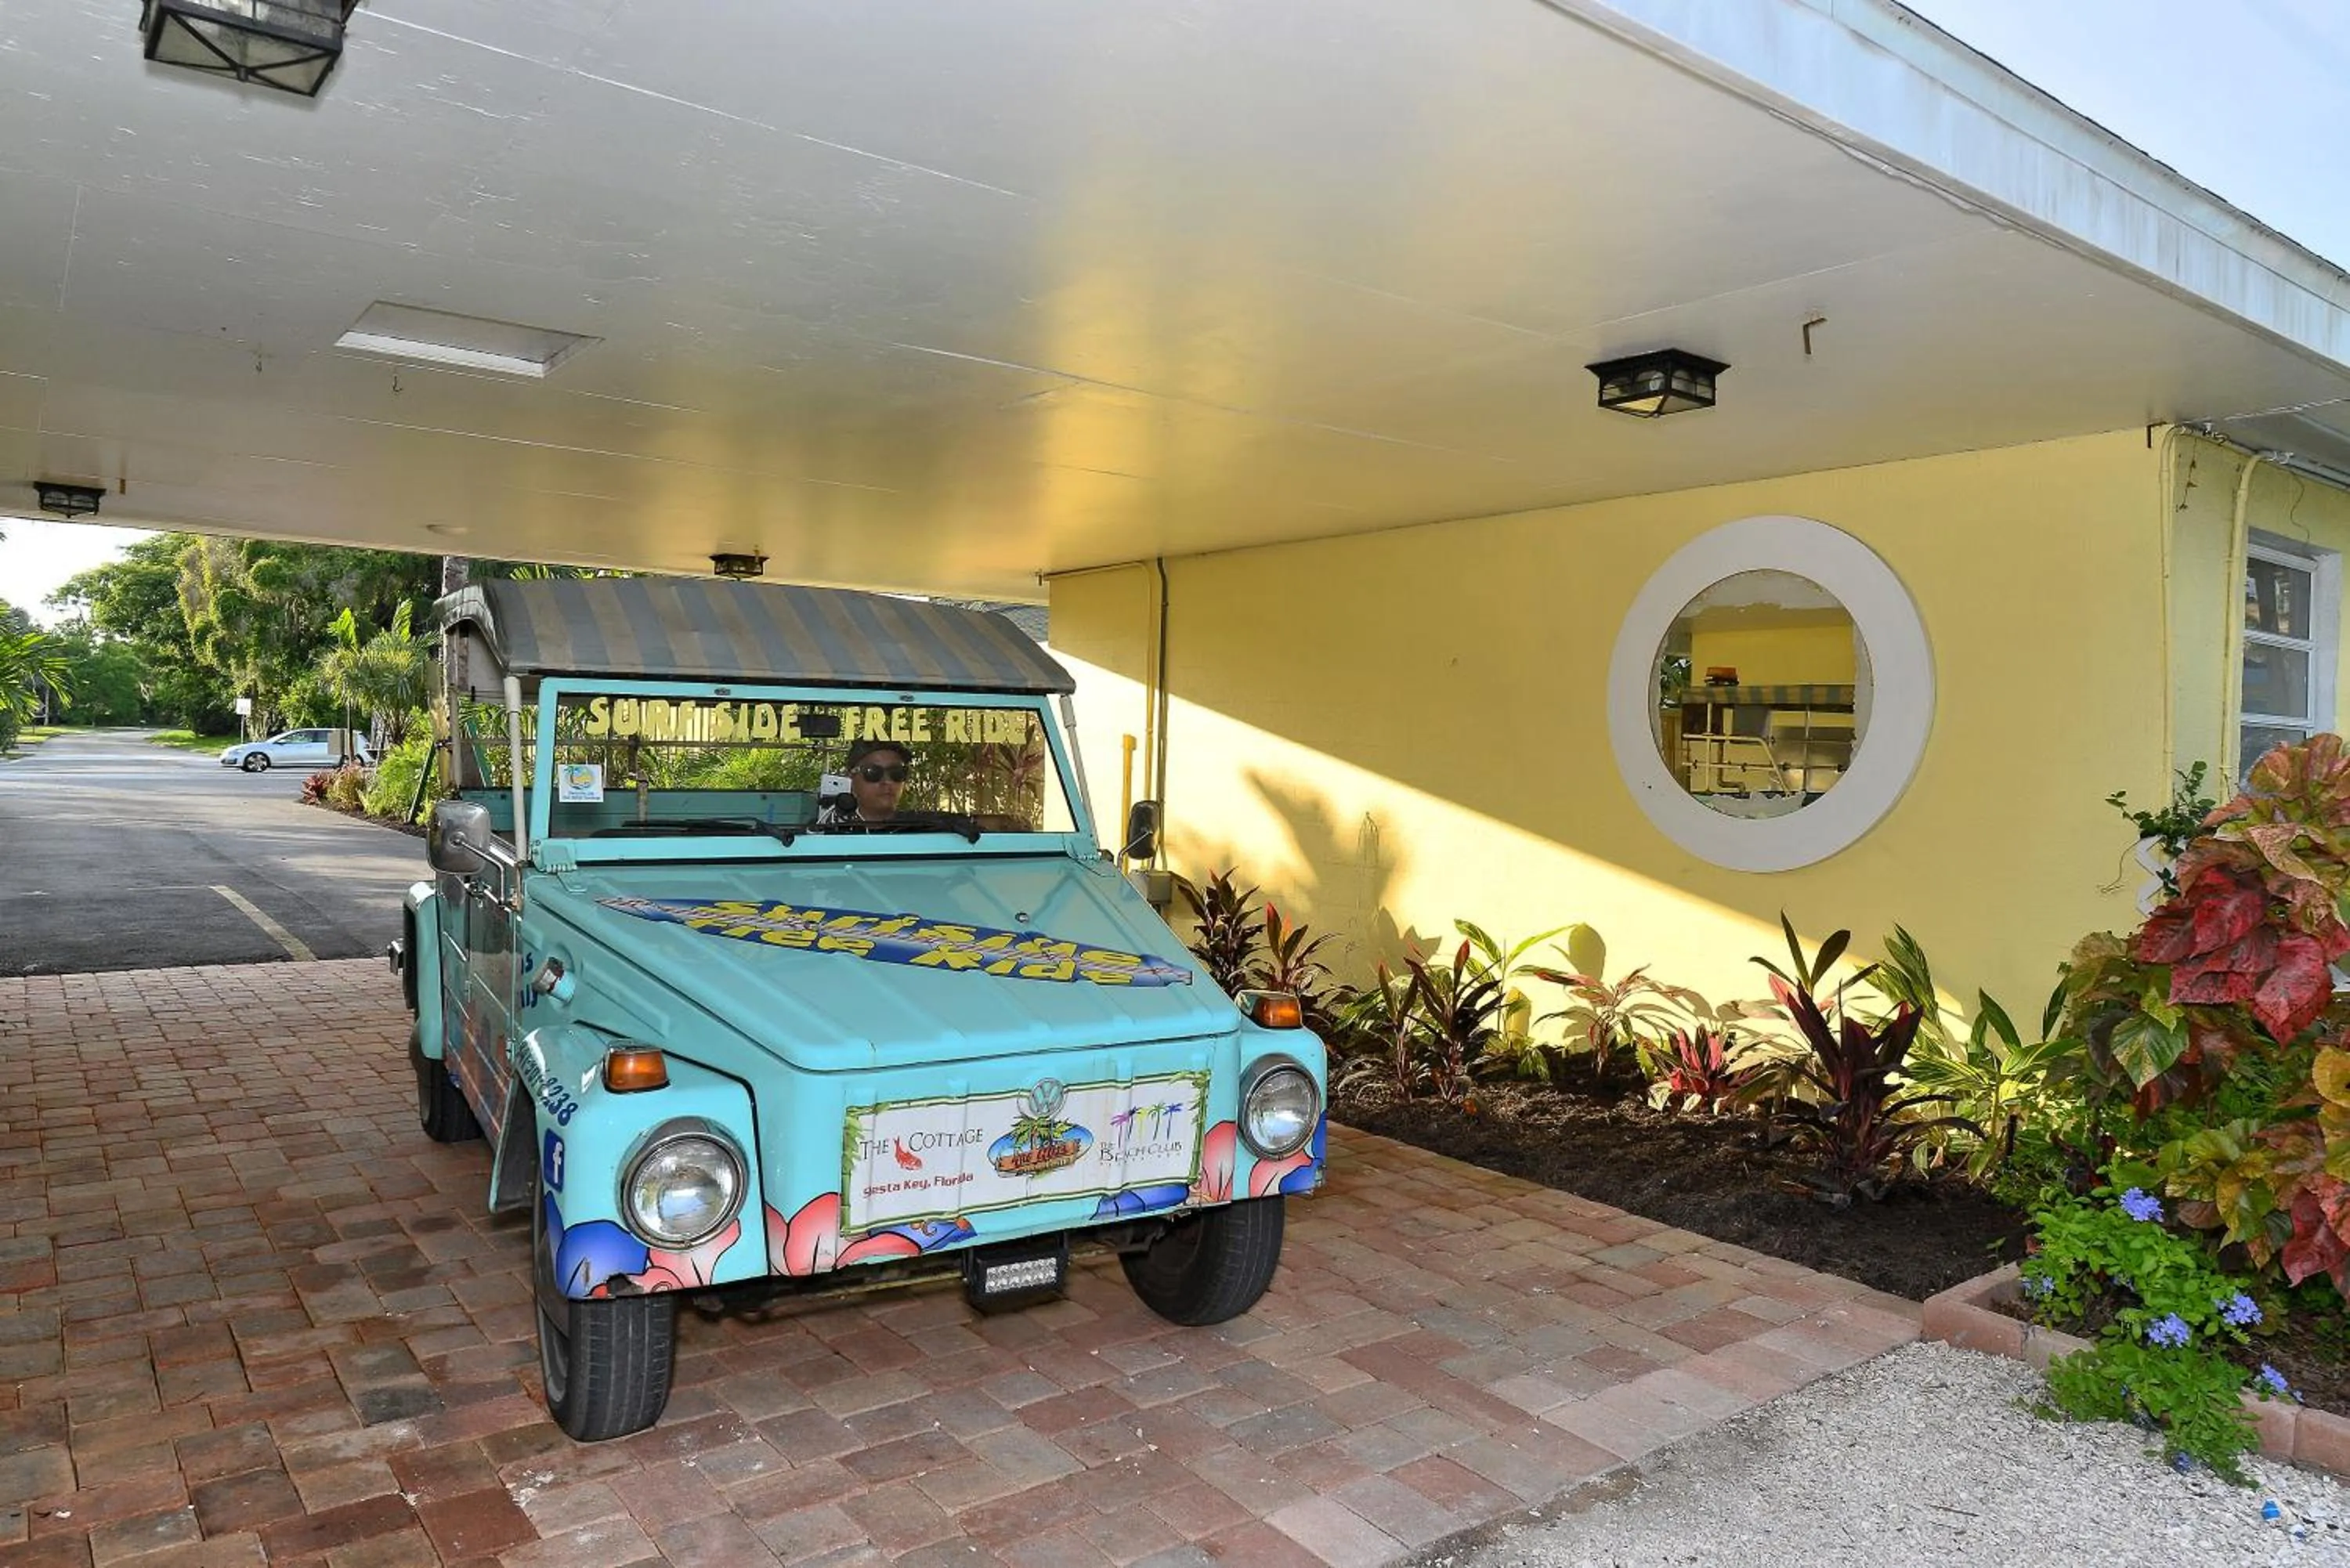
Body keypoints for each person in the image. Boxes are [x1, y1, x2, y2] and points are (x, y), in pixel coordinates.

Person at [820, 738, 912, 825]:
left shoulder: (921, 829)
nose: (887, 781)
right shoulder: (822, 831)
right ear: (851, 778)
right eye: (873, 772)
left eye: (897, 772)